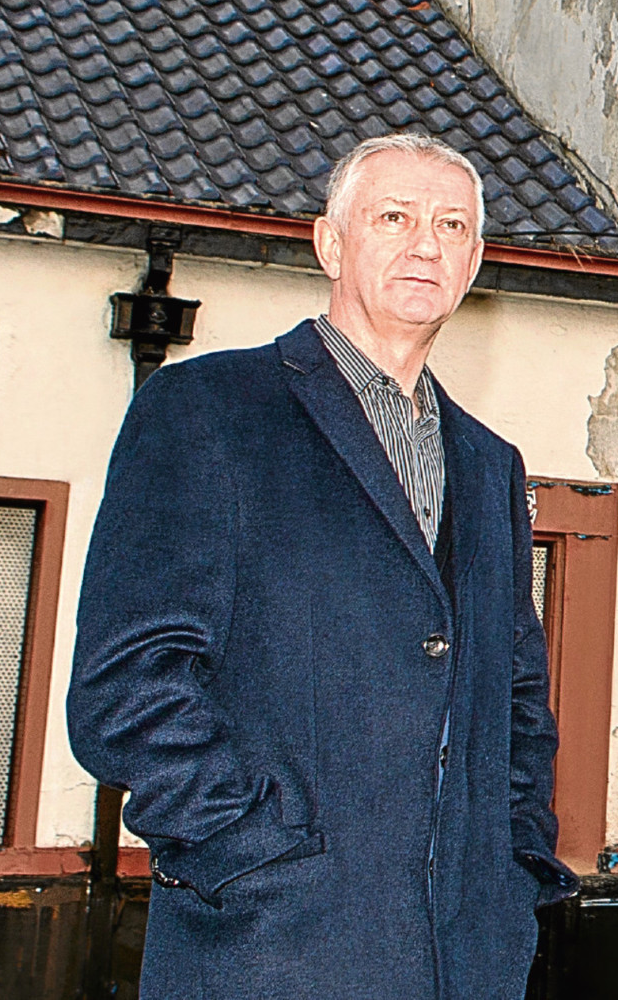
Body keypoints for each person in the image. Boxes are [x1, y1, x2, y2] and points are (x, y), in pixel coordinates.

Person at [69, 132, 576, 1000]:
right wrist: (250, 852)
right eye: (395, 217)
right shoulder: (207, 412)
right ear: (330, 243)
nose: (427, 243)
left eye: (453, 226)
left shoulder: (492, 464)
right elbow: (127, 687)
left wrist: (514, 857)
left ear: (476, 260)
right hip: (269, 946)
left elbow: (517, 697)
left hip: (468, 959)